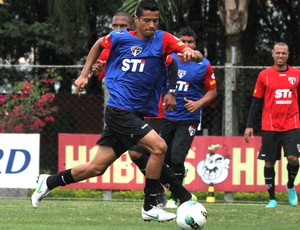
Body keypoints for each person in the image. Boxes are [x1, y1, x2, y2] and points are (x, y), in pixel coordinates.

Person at [31, 0, 203, 223]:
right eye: (147, 20)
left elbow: (189, 52)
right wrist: (85, 74)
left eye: (155, 21)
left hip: (135, 113)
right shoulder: (120, 38)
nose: (152, 25)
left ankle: (49, 182)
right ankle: (153, 205)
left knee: (96, 167)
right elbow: (97, 45)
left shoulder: (164, 39)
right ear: (137, 21)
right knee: (158, 147)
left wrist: (192, 53)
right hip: (119, 110)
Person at [90, 12, 196, 207]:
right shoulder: (114, 47)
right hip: (125, 111)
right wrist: (93, 72)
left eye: (122, 26)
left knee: (147, 151)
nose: (118, 30)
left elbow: (172, 65)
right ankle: (171, 192)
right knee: (112, 162)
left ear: (132, 26)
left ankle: (167, 194)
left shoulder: (157, 42)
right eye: (114, 26)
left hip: (152, 110)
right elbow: (105, 72)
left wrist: (171, 91)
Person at [159, 27, 217, 208]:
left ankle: (174, 197)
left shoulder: (204, 64)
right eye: (182, 41)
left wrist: (198, 103)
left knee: (177, 158)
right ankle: (168, 187)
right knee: (162, 158)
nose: (186, 45)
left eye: (190, 42)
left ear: (195, 44)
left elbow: (213, 91)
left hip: (189, 118)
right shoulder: (169, 59)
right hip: (166, 117)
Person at [244, 42, 300, 208]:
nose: (281, 56)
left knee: (293, 158)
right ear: (273, 54)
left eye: (284, 53)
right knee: (269, 162)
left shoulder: (296, 75)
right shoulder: (264, 75)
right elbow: (256, 102)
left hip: (292, 123)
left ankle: (290, 186)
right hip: (270, 126)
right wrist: (249, 125)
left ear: (288, 54)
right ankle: (272, 199)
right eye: (278, 53)